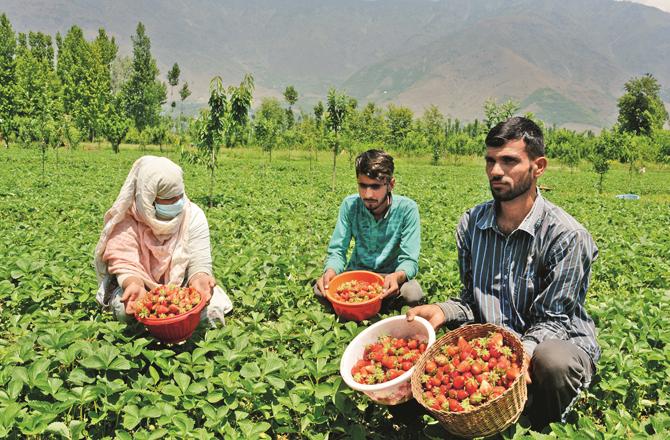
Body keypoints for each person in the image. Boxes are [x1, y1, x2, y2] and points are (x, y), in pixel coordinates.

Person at [407, 117, 599, 430]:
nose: (496, 171)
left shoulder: (566, 236)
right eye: (491, 161)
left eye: (509, 161)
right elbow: (472, 299)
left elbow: (554, 320)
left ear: (538, 167)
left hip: (553, 342)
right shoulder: (472, 223)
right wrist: (442, 311)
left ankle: (543, 424)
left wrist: (517, 357)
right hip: (498, 347)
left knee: (552, 362)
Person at [93, 155, 232, 326]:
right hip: (140, 285)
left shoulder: (192, 215)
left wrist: (200, 277)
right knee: (127, 311)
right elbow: (123, 263)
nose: (177, 203)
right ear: (148, 198)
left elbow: (199, 260)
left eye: (179, 195)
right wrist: (133, 283)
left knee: (211, 308)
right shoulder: (127, 220)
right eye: (168, 199)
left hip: (179, 286)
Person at [315, 149, 423, 308]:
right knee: (320, 289)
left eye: (375, 186)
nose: (368, 194)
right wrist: (330, 271)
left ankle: (365, 308)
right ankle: (367, 307)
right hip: (357, 276)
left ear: (391, 184)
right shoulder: (350, 205)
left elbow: (409, 260)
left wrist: (397, 276)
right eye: (363, 186)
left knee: (412, 294)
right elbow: (338, 250)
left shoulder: (407, 209)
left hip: (389, 278)